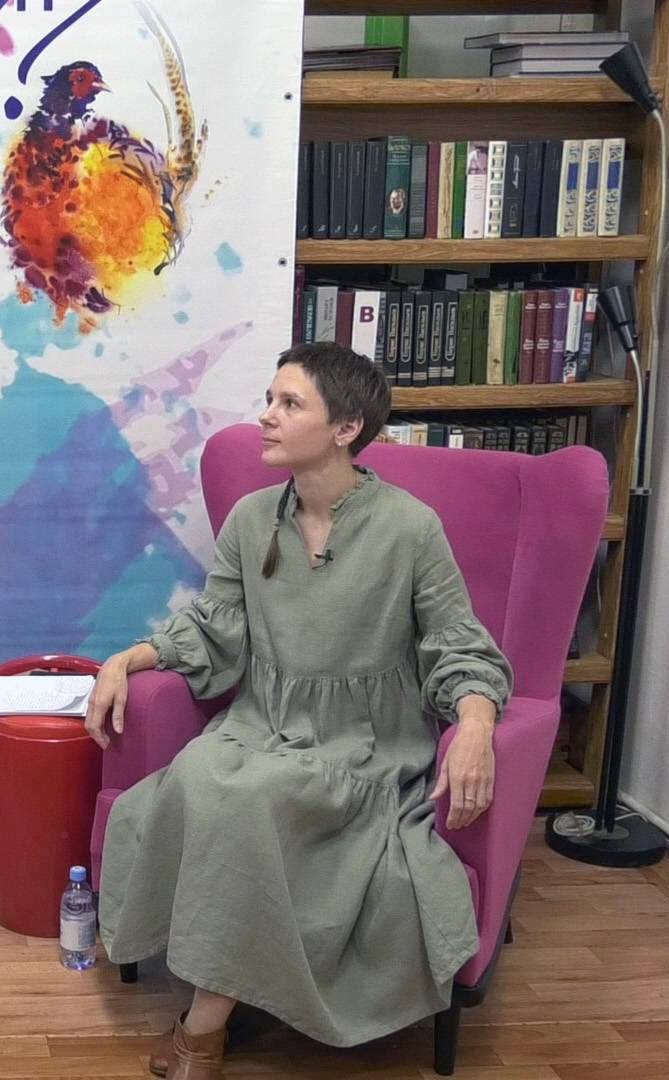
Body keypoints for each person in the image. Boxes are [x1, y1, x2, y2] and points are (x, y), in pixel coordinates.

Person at [86, 343, 512, 1080]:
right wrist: (127, 658)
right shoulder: (252, 519)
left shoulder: (411, 528)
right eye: (270, 399)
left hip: (363, 746)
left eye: (289, 403)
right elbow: (213, 628)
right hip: (260, 724)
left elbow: (458, 644)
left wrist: (475, 724)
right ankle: (222, 1001)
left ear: (345, 428)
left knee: (251, 797)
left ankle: (200, 1033)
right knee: (198, 776)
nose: (267, 416)